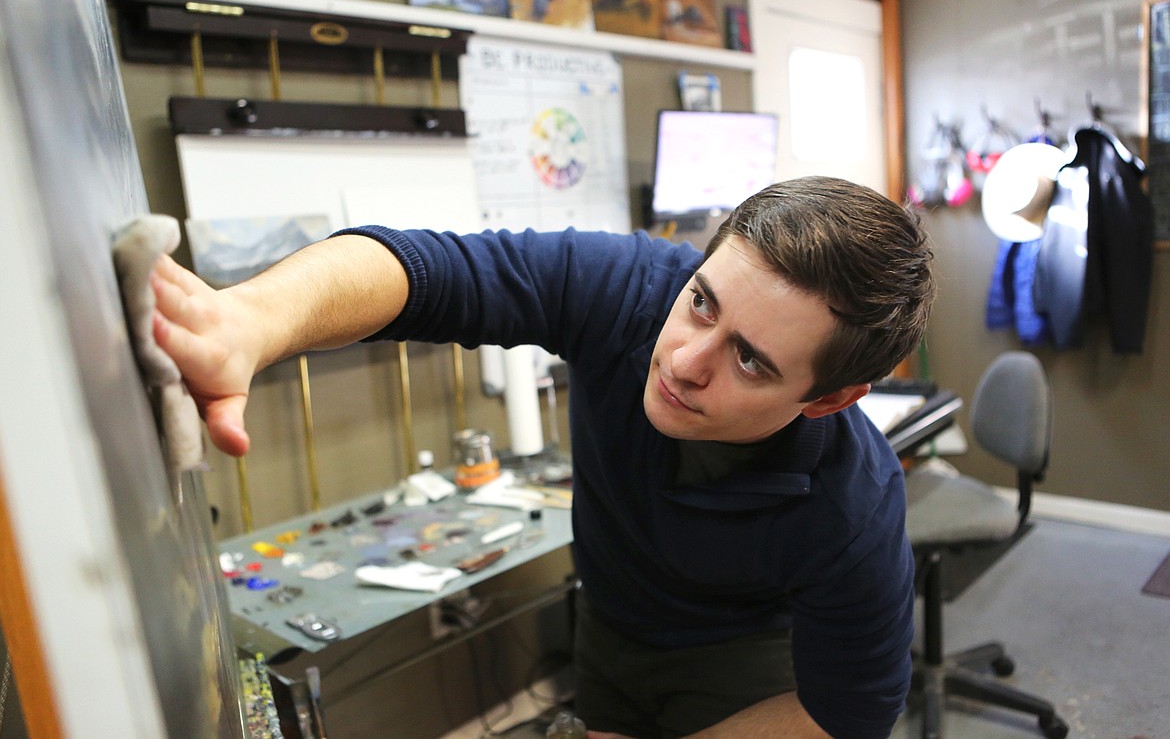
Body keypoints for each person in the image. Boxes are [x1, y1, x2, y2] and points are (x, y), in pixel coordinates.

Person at [152, 175, 935, 739]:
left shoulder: (851, 504)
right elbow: (433, 272)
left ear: (829, 398)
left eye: (751, 361)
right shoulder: (632, 290)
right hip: (612, 619)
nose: (685, 361)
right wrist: (250, 321)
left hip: (744, 660)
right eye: (702, 301)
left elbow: (850, 707)